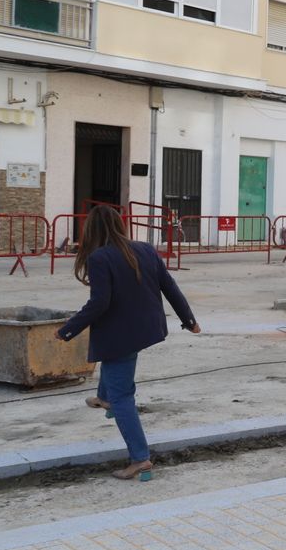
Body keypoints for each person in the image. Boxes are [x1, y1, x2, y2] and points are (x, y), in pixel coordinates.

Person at [57, 206, 199, 481]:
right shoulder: (145, 249)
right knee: (112, 367)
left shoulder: (100, 257)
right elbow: (170, 287)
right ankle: (103, 398)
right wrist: (188, 320)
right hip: (145, 327)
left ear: (92, 231)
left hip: (121, 334)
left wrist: (67, 330)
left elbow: (100, 303)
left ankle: (140, 459)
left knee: (123, 397)